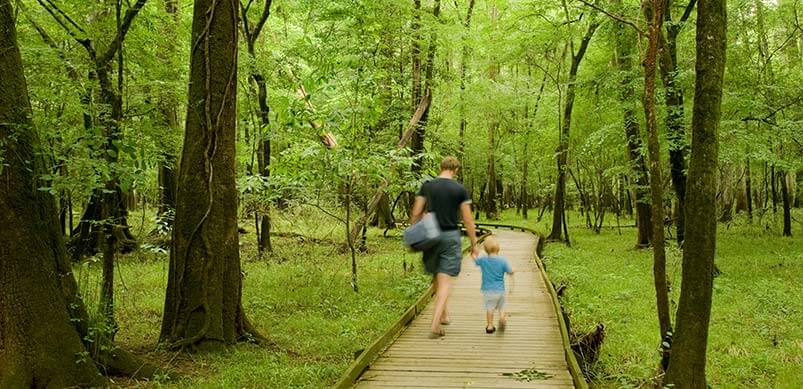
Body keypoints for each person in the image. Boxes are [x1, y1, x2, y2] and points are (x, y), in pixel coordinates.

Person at [410, 156, 479, 338]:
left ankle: (444, 314)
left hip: (430, 235)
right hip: (449, 236)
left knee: (436, 276)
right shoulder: (459, 189)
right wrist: (474, 244)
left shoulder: (427, 186)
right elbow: (468, 219)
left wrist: (415, 232)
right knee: (445, 281)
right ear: (455, 170)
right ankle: (434, 324)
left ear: (441, 167)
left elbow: (416, 212)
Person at [474, 235, 514, 333]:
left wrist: (474, 253)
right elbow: (510, 271)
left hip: (488, 290)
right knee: (501, 307)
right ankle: (501, 318)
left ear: (485, 250)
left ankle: (490, 326)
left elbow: (476, 260)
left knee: (490, 308)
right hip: (500, 290)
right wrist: (513, 271)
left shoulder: (483, 260)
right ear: (498, 248)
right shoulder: (503, 261)